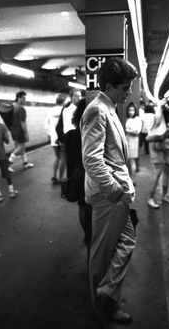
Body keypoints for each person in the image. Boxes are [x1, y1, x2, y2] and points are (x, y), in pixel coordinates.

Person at [80, 57, 138, 324]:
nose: (129, 91)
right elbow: (91, 158)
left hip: (118, 195)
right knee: (102, 254)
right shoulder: (97, 110)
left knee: (126, 242)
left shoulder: (109, 106)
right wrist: (115, 190)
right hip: (108, 197)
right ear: (110, 85)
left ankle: (105, 294)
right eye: (125, 87)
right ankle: (101, 307)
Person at [65, 98, 92, 259]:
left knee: (82, 207)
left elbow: (69, 160)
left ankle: (87, 236)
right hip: (95, 174)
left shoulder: (71, 135)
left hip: (78, 175)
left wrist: (70, 180)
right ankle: (95, 237)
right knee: (97, 209)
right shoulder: (97, 134)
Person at [147, 89, 169, 209]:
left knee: (167, 171)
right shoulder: (159, 108)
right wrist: (160, 109)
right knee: (158, 172)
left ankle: (164, 195)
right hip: (158, 141)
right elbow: (156, 123)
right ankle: (150, 198)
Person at [0, 107, 18, 202]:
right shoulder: (2, 126)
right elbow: (7, 141)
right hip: (1, 153)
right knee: (6, 172)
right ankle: (11, 191)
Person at [8, 91, 34, 172]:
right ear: (19, 98)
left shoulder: (11, 106)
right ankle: (6, 165)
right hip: (19, 131)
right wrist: (26, 134)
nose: (24, 100)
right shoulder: (21, 108)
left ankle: (25, 163)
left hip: (13, 130)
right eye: (23, 98)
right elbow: (23, 124)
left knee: (21, 147)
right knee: (20, 148)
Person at [44, 93, 66, 184]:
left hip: (54, 137)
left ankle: (54, 176)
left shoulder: (51, 110)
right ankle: (61, 178)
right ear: (64, 101)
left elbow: (46, 125)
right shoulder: (65, 110)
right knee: (63, 158)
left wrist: (51, 133)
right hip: (62, 137)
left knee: (57, 158)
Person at [125, 102, 142, 184]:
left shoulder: (137, 119)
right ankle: (129, 178)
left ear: (135, 111)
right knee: (128, 161)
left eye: (132, 110)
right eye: (129, 110)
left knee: (132, 161)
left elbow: (137, 132)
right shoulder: (128, 119)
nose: (131, 112)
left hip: (133, 143)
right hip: (127, 142)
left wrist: (127, 130)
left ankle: (133, 179)